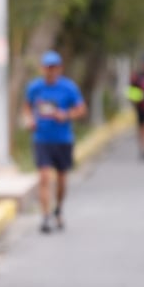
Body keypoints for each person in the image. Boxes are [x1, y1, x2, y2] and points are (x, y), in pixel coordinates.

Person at [23, 50, 87, 233]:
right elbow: (27, 107)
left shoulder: (68, 88)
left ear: (59, 68)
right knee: (43, 177)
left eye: (54, 67)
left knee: (61, 179)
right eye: (47, 67)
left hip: (63, 139)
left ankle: (58, 208)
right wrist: (29, 120)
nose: (50, 71)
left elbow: (81, 109)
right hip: (42, 138)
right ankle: (45, 216)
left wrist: (66, 115)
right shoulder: (35, 87)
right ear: (42, 68)